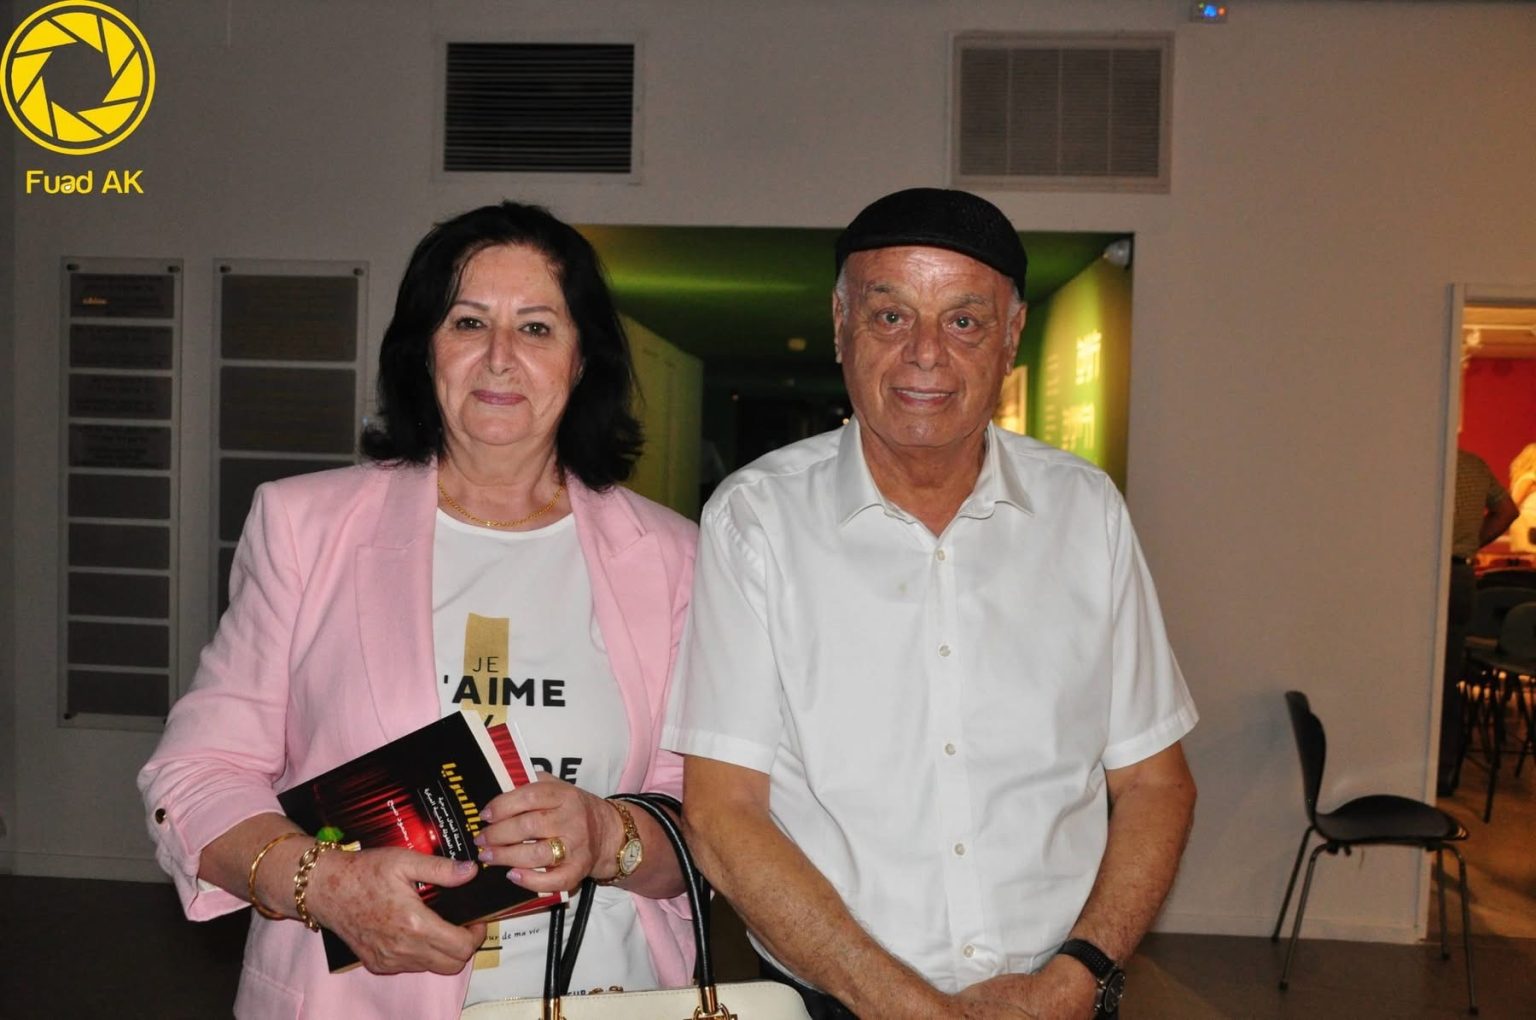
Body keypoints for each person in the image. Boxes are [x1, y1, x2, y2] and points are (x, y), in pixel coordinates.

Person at [139, 201, 697, 1018]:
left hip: (604, 992)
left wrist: (611, 835)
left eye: (537, 328)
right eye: (468, 322)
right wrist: (325, 884)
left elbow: (710, 822)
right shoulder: (306, 527)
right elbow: (196, 775)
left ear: (582, 361)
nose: (500, 357)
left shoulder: (674, 556)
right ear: (423, 350)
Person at [665, 188, 1198, 1020]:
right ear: (840, 324)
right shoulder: (756, 521)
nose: (924, 355)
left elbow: (1156, 783)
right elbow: (722, 813)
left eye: (964, 321)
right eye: (890, 317)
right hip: (839, 1001)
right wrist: (908, 1007)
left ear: (1011, 335)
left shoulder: (1085, 512)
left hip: (1059, 1000)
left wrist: (1078, 975)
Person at [1438, 448, 1520, 794]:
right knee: (1447, 678)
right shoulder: (1474, 465)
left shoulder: (1416, 460)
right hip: (1459, 573)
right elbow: (1507, 511)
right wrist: (1472, 541)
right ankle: (1443, 771)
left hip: (1421, 569)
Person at [1508, 442, 1536, 555]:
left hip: (1529, 522)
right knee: (1529, 557)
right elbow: (1514, 502)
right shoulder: (1528, 479)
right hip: (1528, 523)